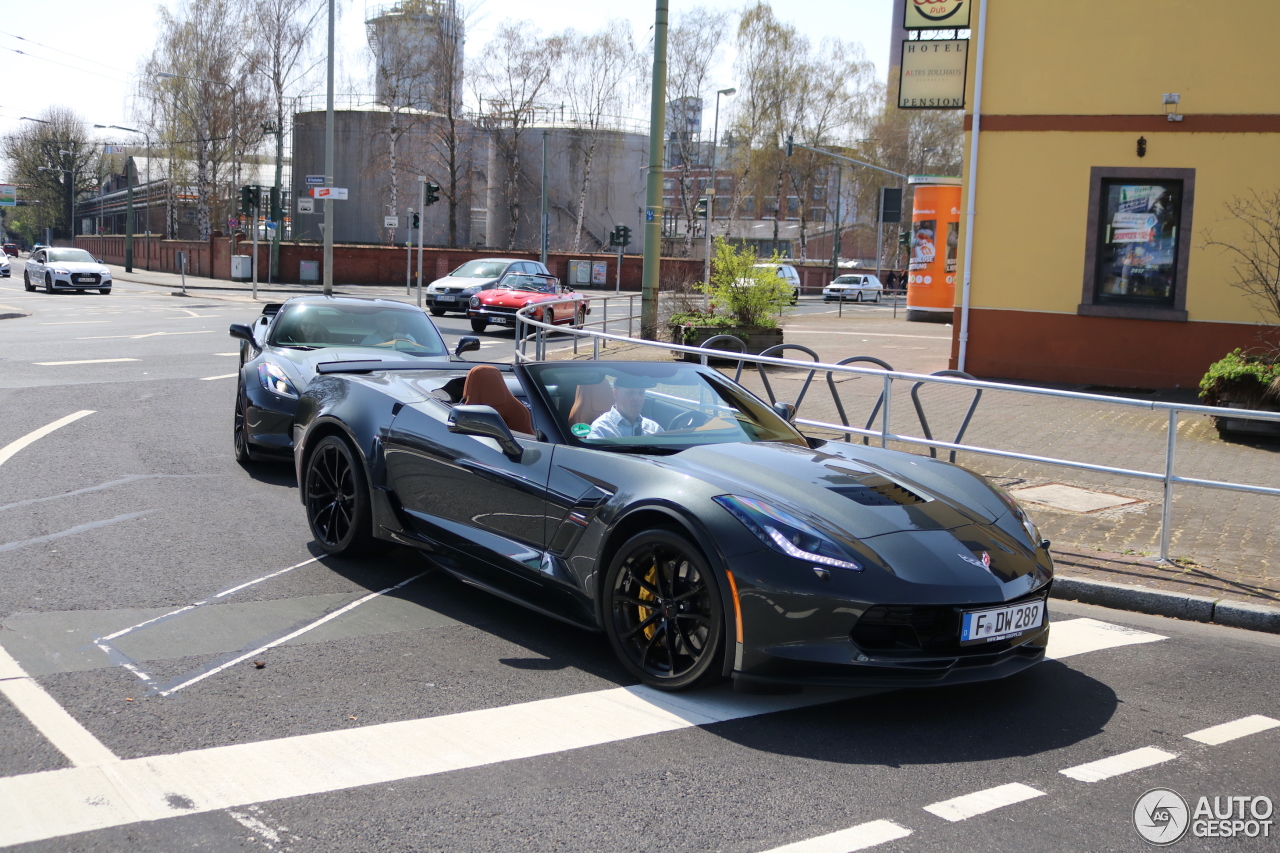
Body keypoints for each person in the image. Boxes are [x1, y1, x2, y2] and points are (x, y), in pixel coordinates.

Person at [587, 375, 664, 439]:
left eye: (641, 393)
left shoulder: (654, 428)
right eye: (630, 393)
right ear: (616, 394)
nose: (637, 398)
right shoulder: (601, 428)